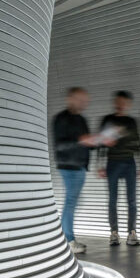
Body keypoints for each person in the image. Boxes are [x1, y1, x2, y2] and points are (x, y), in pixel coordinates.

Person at [52, 87, 98, 255]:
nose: (84, 103)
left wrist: (96, 142)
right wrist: (81, 141)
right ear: (70, 98)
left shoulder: (81, 119)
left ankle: (65, 236)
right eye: (80, 99)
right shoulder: (61, 119)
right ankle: (68, 240)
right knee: (71, 202)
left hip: (80, 166)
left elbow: (87, 142)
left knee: (74, 202)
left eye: (85, 100)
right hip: (68, 166)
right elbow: (60, 145)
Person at [98, 91, 140, 246]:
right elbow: (101, 142)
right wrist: (99, 163)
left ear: (128, 104)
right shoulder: (107, 120)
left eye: (124, 102)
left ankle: (132, 233)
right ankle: (114, 233)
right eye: (118, 101)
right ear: (115, 102)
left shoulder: (133, 121)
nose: (121, 104)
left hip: (129, 163)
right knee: (113, 200)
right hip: (112, 163)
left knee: (131, 200)